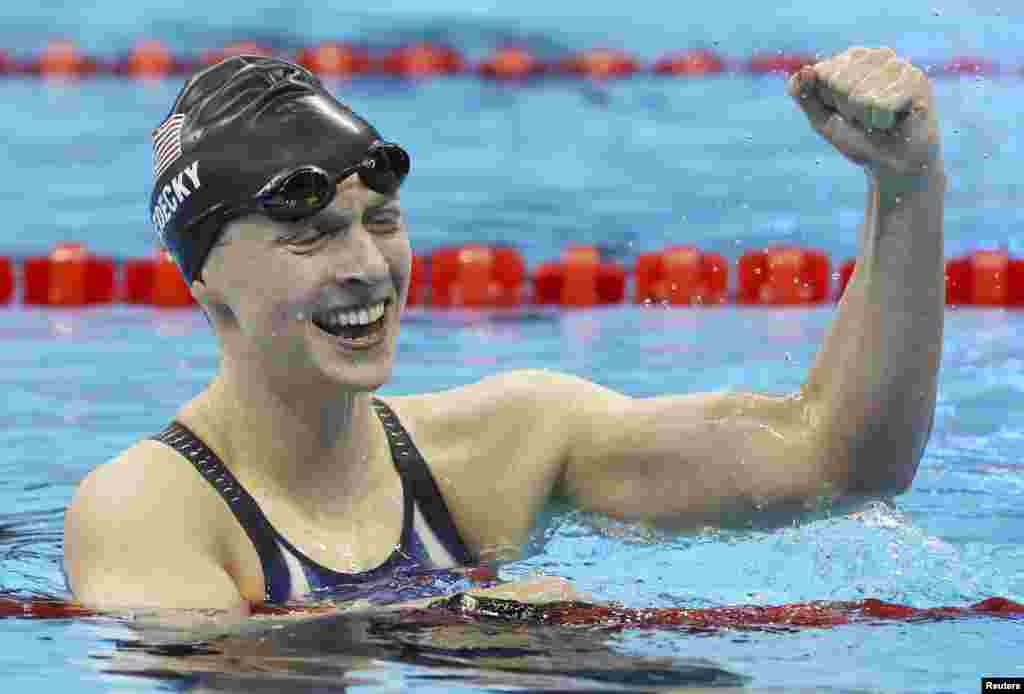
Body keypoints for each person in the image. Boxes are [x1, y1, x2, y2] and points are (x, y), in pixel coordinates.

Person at [64, 47, 944, 614]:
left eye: (381, 220)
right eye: (311, 234)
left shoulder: (508, 446)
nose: (368, 267)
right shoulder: (146, 513)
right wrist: (449, 631)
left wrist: (905, 187)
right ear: (207, 283)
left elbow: (846, 461)